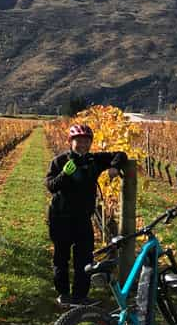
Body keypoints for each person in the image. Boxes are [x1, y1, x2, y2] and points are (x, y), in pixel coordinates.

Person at [45, 124, 127, 306]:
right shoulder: (59, 162)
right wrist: (64, 174)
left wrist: (114, 167)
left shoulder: (93, 160)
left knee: (84, 258)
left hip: (83, 218)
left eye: (86, 141)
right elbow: (51, 186)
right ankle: (63, 294)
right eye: (78, 141)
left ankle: (80, 296)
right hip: (60, 218)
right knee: (61, 257)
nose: (82, 145)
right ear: (70, 142)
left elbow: (120, 154)